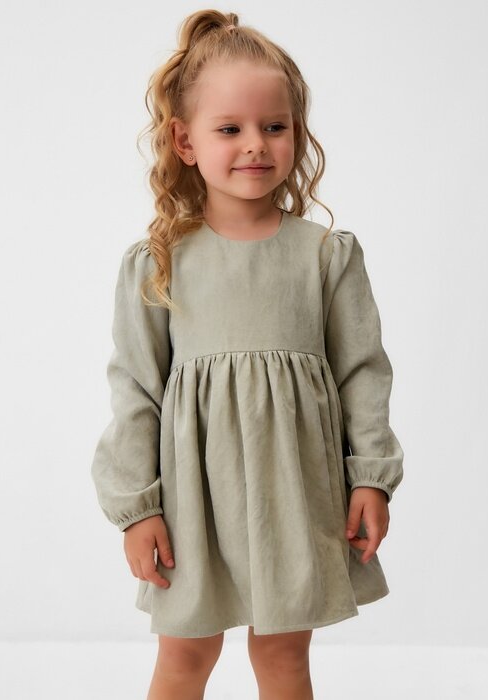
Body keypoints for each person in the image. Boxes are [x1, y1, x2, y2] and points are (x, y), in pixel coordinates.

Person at [90, 8, 405, 699]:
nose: (255, 145)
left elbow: (363, 373)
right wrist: (136, 507)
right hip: (192, 503)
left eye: (275, 126)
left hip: (296, 492)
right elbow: (136, 390)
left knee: (285, 656)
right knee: (185, 656)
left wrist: (372, 477)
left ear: (298, 132)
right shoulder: (158, 263)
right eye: (229, 129)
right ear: (185, 140)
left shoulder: (325, 256)